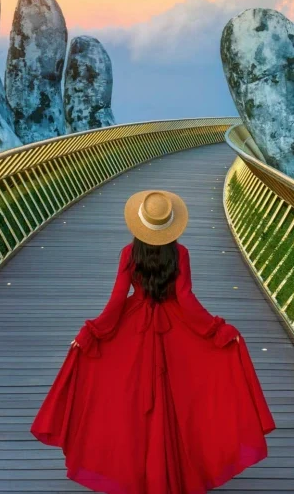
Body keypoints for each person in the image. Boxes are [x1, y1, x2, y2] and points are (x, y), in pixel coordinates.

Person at [31, 190, 275, 493]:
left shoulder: (128, 253)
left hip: (135, 326)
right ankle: (172, 473)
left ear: (140, 224)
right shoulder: (180, 253)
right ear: (171, 225)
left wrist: (92, 332)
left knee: (131, 402)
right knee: (176, 399)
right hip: (175, 327)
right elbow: (185, 299)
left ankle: (139, 473)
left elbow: (119, 298)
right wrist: (216, 330)